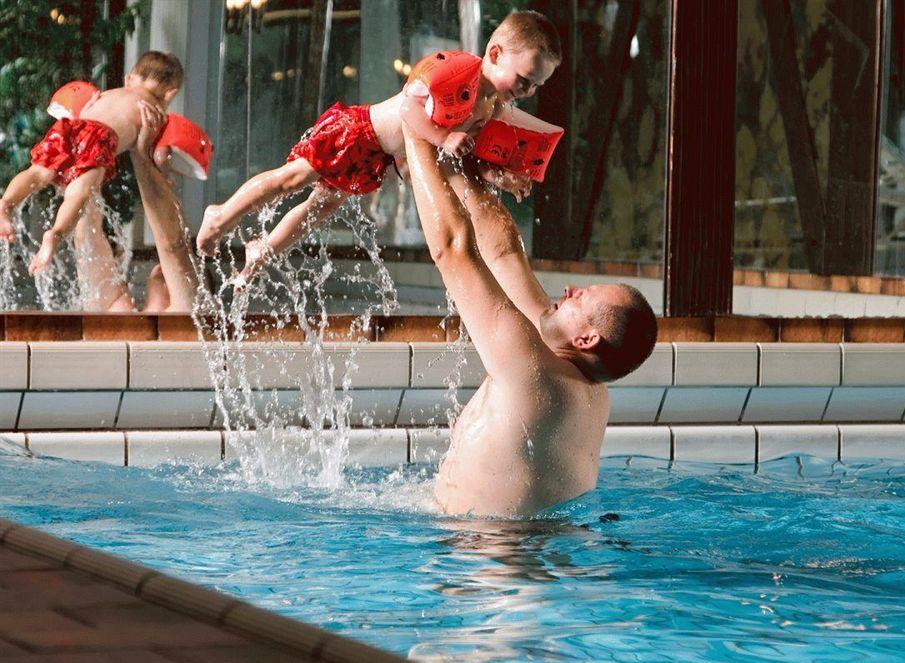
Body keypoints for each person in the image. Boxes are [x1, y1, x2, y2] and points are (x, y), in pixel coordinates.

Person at [401, 125, 658, 518]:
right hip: (519, 556)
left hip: (482, 561)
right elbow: (504, 252)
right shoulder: (580, 381)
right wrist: (461, 170)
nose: (569, 290)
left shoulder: (535, 374)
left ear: (587, 338)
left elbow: (452, 251)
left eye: (581, 298)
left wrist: (413, 128)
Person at [196, 10, 558, 284]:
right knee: (290, 179)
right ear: (494, 54)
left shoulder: (492, 107)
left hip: (379, 159)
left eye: (536, 87)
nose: (527, 92)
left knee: (317, 209)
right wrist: (443, 138)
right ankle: (221, 215)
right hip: (360, 131)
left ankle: (264, 250)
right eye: (524, 79)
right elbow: (408, 107)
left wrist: (502, 176)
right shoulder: (460, 70)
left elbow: (470, 154)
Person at [0, 51, 184, 274]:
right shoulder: (154, 112)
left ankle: (6, 204)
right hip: (102, 138)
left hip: (73, 124)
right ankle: (55, 234)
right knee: (79, 192)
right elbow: (160, 157)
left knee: (38, 172)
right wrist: (166, 175)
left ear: (129, 79)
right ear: (170, 94)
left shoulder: (110, 93)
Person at [74, 101, 198, 312]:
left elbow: (173, 246)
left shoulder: (187, 315)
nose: (161, 268)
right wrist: (86, 141)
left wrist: (141, 154)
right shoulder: (121, 315)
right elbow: (88, 239)